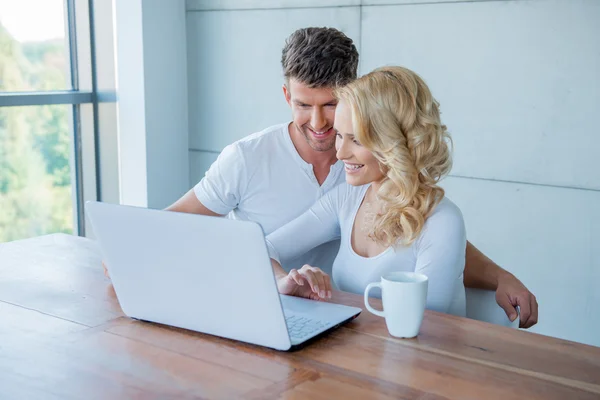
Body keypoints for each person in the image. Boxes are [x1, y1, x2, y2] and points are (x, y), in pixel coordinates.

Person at [107, 27, 538, 327]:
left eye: (332, 107)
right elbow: (194, 226)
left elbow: (432, 233)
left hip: (353, 334)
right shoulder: (254, 161)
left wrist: (500, 275)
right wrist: (131, 251)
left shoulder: (378, 185)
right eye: (302, 105)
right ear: (285, 96)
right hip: (290, 319)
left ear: (355, 97)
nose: (322, 128)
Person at [268, 66, 466, 315]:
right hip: (359, 347)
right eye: (339, 135)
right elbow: (262, 248)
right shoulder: (346, 198)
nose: (340, 153)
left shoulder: (442, 221)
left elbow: (425, 324)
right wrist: (284, 280)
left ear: (395, 141)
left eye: (357, 140)